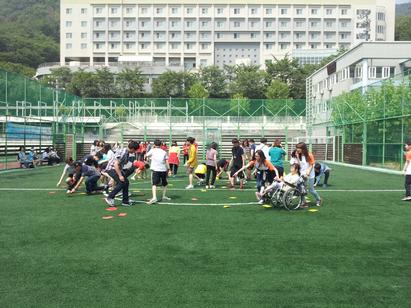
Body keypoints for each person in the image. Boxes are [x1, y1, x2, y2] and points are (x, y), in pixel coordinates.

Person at [104, 140, 139, 207]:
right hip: (112, 169)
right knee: (122, 182)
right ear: (132, 149)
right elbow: (115, 164)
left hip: (116, 169)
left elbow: (122, 163)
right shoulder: (123, 152)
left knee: (126, 182)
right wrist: (120, 175)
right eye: (135, 150)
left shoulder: (126, 152)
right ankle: (110, 197)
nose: (135, 152)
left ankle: (125, 201)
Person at [295, 142, 322, 208]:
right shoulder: (299, 154)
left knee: (311, 190)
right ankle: (304, 202)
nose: (297, 149)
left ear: (303, 148)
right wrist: (298, 157)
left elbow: (311, 165)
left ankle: (318, 199)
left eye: (299, 148)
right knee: (301, 188)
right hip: (302, 173)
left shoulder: (309, 155)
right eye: (297, 148)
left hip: (310, 175)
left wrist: (307, 174)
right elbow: (299, 165)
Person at [146, 139, 171, 205]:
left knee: (154, 184)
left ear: (154, 145)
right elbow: (166, 161)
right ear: (161, 145)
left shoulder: (152, 150)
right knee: (165, 184)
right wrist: (169, 169)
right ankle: (163, 196)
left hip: (155, 169)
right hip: (163, 169)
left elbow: (146, 155)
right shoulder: (164, 152)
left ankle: (154, 197)